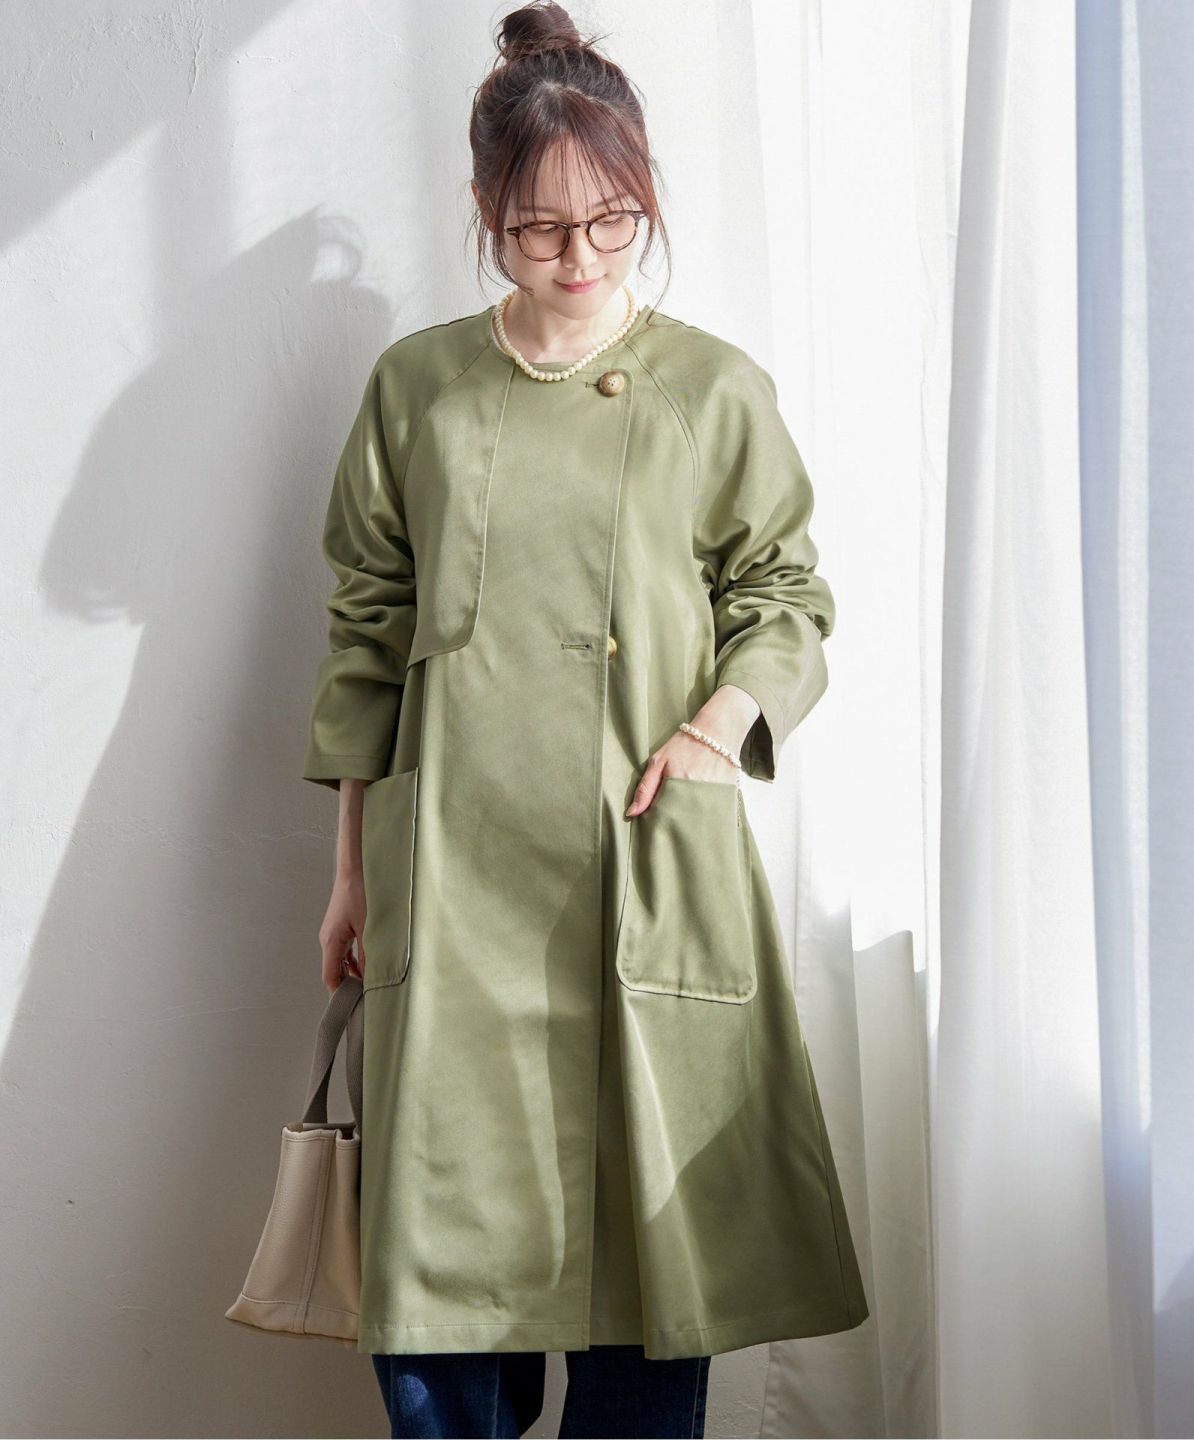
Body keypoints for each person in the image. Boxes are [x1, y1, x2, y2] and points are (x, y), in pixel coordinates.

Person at [301, 3, 870, 1435]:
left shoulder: (709, 389)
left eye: (613, 221)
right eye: (541, 227)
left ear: (645, 198)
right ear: (485, 209)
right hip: (456, 878)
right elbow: (368, 631)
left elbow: (787, 593)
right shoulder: (419, 388)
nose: (580, 257)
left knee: (643, 1277)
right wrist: (351, 871)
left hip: (643, 852)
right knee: (440, 1310)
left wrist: (713, 730)